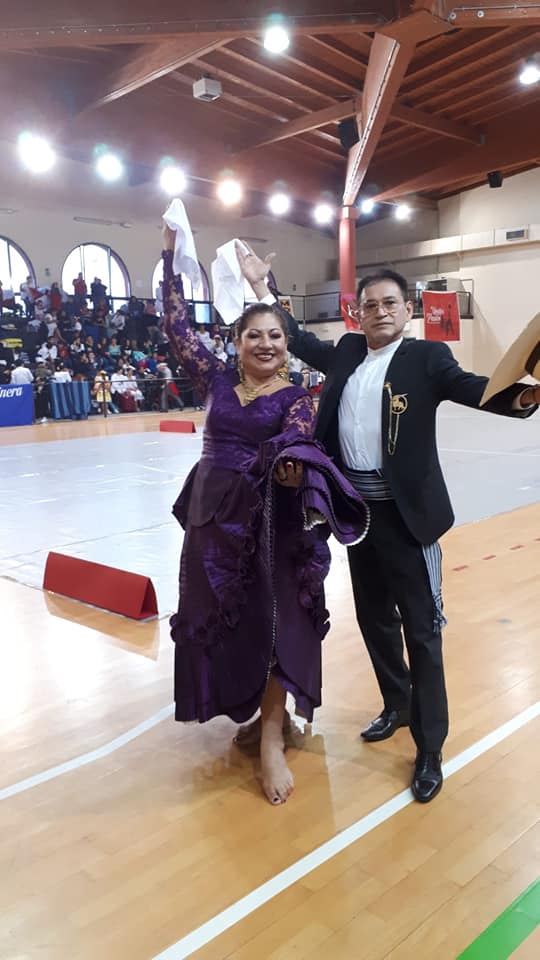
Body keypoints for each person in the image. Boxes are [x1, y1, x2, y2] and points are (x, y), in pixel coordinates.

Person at [238, 249, 539, 803]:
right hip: (356, 515)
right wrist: (263, 287)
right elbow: (295, 338)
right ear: (357, 313)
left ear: (408, 309)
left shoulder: (427, 357)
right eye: (370, 305)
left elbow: (476, 388)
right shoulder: (348, 351)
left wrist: (527, 393)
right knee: (374, 618)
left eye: (389, 303)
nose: (379, 312)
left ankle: (430, 747)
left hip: (407, 518)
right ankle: (396, 704)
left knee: (421, 632)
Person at [161, 224, 368, 805]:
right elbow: (176, 328)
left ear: (285, 343)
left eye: (276, 335)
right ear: (237, 342)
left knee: (278, 623)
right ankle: (253, 713)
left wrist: (290, 465)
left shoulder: (297, 396)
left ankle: (274, 736)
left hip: (271, 524)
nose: (267, 344)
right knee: (228, 621)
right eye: (254, 335)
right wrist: (170, 254)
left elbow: (297, 437)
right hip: (212, 523)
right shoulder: (216, 379)